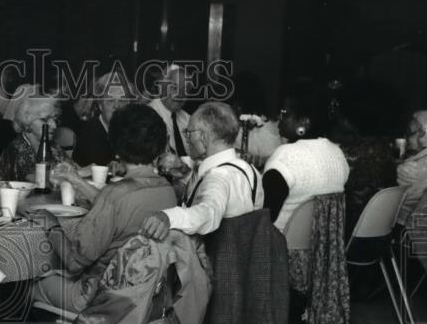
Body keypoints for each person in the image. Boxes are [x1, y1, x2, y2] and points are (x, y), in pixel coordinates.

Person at [31, 104, 174, 313]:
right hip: (143, 298)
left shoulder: (116, 195)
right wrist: (77, 181)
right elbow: (120, 207)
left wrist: (50, 224)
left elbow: (74, 261)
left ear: (116, 146)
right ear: (160, 145)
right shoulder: (167, 190)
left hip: (99, 298)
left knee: (29, 282)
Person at [142, 101, 263, 240]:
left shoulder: (219, 177)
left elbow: (208, 212)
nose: (187, 139)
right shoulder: (250, 171)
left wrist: (168, 216)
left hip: (216, 258)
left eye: (189, 133)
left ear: (203, 138)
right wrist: (186, 174)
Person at [262, 97, 350, 231]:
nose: (280, 117)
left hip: (277, 244)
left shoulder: (284, 156)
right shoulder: (338, 153)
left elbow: (265, 217)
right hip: (321, 247)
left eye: (285, 113)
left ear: (304, 122)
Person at [0, 87, 67, 181]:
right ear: (27, 122)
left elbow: (74, 171)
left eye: (54, 119)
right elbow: (36, 180)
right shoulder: (16, 150)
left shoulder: (53, 147)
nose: (53, 125)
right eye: (45, 120)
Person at [73, 71, 135, 167]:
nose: (117, 106)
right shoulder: (90, 131)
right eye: (110, 101)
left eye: (122, 101)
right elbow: (101, 166)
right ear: (100, 105)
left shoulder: (130, 130)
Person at [396, 110, 427, 225]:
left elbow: (401, 201)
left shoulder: (410, 168)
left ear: (425, 133)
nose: (407, 138)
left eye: (411, 133)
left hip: (409, 224)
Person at [147, 63, 191, 158]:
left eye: (185, 90)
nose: (179, 95)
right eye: (174, 88)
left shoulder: (188, 119)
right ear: (163, 87)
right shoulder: (148, 114)